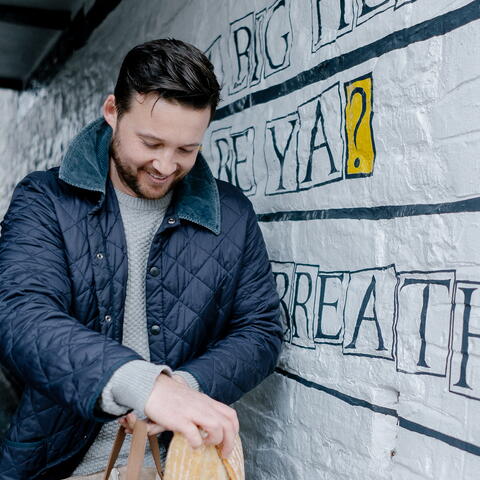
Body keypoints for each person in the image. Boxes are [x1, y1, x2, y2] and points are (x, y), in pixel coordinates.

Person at [0, 38, 282, 480]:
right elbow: (21, 315)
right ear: (112, 112)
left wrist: (182, 388)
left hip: (181, 465)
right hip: (63, 466)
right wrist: (143, 386)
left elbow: (260, 330)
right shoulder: (44, 201)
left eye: (187, 149)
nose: (166, 166)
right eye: (151, 142)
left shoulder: (232, 214)